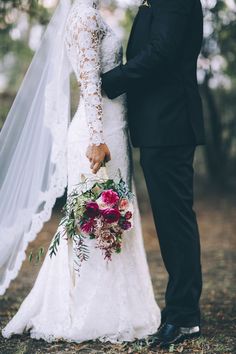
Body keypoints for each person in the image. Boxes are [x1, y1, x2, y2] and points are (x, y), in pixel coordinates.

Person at [1, 0, 161, 344]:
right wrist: (97, 139)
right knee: (95, 219)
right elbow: (89, 83)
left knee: (112, 216)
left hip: (113, 129)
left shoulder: (92, 12)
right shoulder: (84, 17)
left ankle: (122, 305)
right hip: (98, 135)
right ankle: (91, 310)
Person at [102, 0, 205, 348]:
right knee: (169, 220)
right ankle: (181, 310)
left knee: (175, 221)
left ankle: (184, 316)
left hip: (171, 126)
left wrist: (110, 81)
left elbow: (160, 53)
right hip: (158, 128)